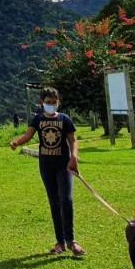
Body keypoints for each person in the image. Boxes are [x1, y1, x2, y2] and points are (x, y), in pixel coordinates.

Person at [10, 86, 83, 257]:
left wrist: (74, 157)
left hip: (63, 165)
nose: (51, 105)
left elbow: (73, 140)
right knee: (54, 202)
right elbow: (28, 136)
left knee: (66, 199)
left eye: (54, 102)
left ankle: (71, 241)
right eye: (48, 102)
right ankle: (60, 242)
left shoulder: (65, 119)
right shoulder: (37, 119)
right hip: (46, 166)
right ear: (41, 103)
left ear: (59, 103)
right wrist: (16, 143)